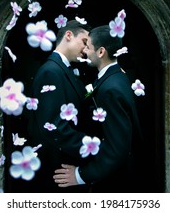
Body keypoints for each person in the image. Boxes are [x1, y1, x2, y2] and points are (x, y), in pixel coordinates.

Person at [53, 24, 144, 193]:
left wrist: (81, 175)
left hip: (114, 183)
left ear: (101, 52)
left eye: (88, 46)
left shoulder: (110, 89)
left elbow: (118, 149)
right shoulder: (115, 77)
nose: (84, 51)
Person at [28, 20, 92, 193]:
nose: (86, 50)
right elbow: (53, 126)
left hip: (67, 163)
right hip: (59, 169)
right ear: (69, 35)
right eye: (84, 42)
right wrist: (90, 146)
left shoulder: (66, 69)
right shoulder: (51, 71)